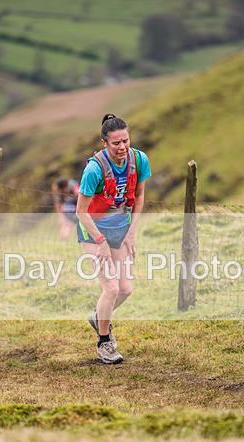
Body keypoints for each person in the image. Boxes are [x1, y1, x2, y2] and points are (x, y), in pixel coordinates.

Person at [75, 113, 151, 364]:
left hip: (121, 227)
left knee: (126, 289)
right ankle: (104, 343)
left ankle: (99, 317)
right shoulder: (94, 170)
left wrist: (132, 232)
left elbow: (138, 197)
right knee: (111, 287)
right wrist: (100, 242)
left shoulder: (139, 160)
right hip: (93, 230)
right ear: (104, 143)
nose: (122, 147)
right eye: (115, 143)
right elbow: (81, 212)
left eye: (125, 141)